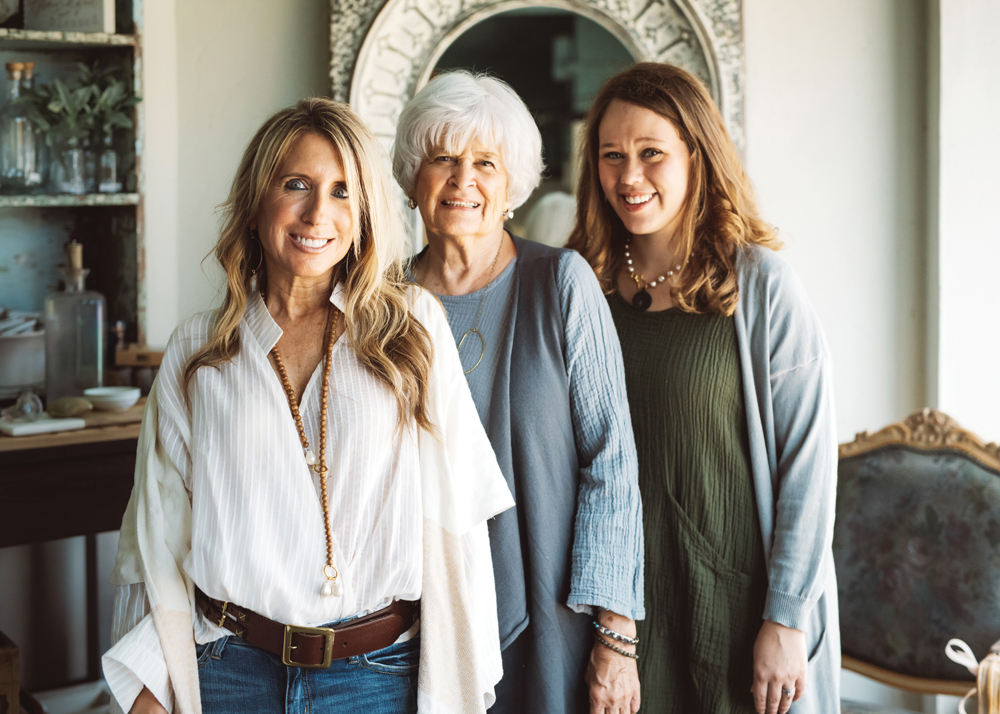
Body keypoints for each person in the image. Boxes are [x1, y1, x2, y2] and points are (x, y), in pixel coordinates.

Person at [102, 98, 514, 714]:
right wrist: (149, 691)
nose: (319, 213)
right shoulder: (198, 349)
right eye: (297, 184)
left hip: (376, 680)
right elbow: (156, 537)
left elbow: (458, 529)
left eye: (344, 191)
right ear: (256, 199)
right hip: (228, 674)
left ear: (365, 211)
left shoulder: (412, 332)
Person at [567, 62, 840, 714]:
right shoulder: (582, 290)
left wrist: (787, 619)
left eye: (651, 153)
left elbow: (809, 466)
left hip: (744, 609)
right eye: (612, 156)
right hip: (621, 618)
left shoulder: (763, 286)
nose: (628, 176)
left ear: (697, 155)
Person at [392, 70, 645, 714]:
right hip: (410, 620)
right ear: (412, 176)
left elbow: (611, 461)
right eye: (443, 158)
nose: (462, 180)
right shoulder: (381, 303)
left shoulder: (563, 283)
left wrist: (616, 639)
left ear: (512, 185)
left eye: (484, 162)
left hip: (551, 608)